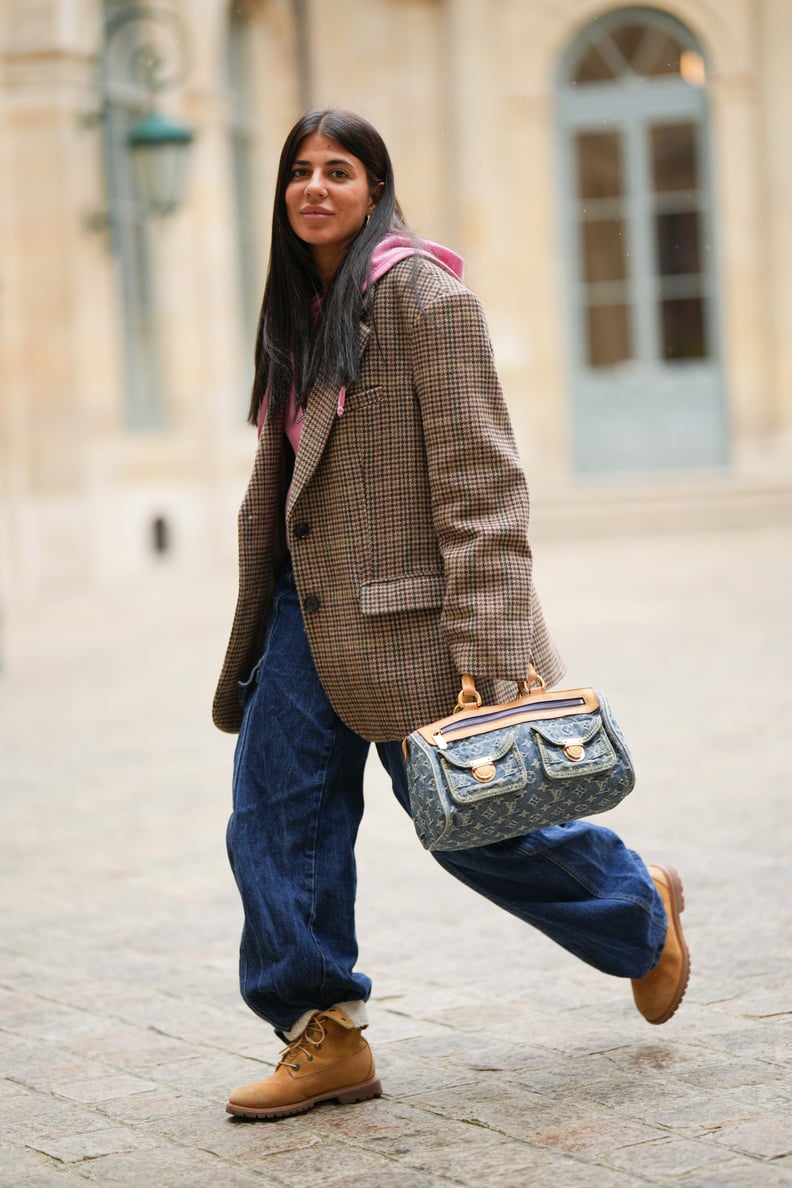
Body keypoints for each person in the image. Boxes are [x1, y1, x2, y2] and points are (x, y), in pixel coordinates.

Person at [213, 109, 690, 1122]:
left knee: (479, 833)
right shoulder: (299, 312)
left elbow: (484, 482)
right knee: (275, 820)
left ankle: (639, 908)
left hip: (414, 622)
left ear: (375, 188)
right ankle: (322, 1032)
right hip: (302, 616)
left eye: (338, 171)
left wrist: (488, 644)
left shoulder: (427, 300)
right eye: (299, 171)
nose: (314, 188)